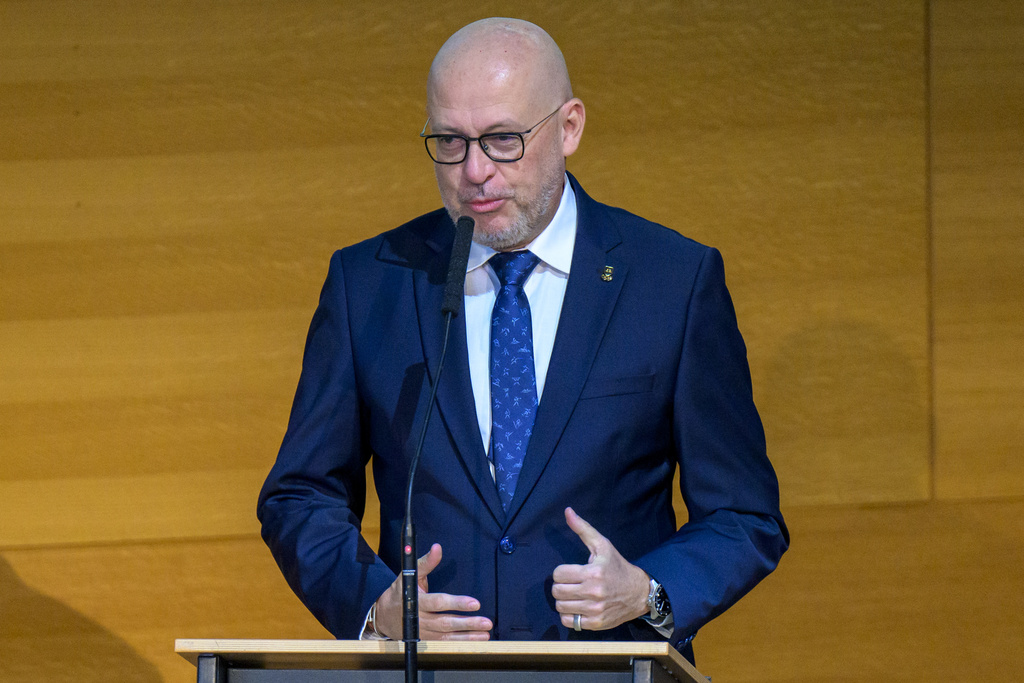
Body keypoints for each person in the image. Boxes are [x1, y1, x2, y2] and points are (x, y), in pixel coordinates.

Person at [257, 17, 788, 664]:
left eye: (503, 139)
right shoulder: (369, 283)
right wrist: (375, 607)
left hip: (612, 671)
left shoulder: (672, 280)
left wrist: (649, 592)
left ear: (569, 128)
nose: (474, 170)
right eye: (450, 141)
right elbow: (300, 496)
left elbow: (743, 515)